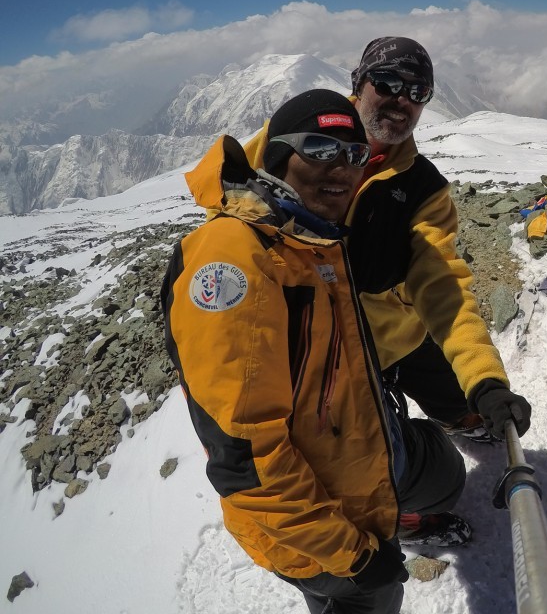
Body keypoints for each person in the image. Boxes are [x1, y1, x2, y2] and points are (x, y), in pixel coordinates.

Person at [162, 90, 471, 614]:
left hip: (352, 490)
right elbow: (246, 463)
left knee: (439, 467)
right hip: (319, 537)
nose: (343, 168)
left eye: (353, 155)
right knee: (374, 596)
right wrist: (352, 557)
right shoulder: (236, 258)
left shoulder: (310, 243)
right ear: (277, 155)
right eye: (321, 147)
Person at [244, 37, 532, 546]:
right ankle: (403, 518)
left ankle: (464, 417)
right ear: (359, 84)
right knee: (411, 467)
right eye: (389, 83)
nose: (402, 100)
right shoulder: (297, 136)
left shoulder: (422, 189)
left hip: (396, 330)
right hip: (328, 358)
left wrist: (486, 381)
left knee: (455, 390)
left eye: (417, 91)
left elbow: (443, 284)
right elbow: (228, 191)